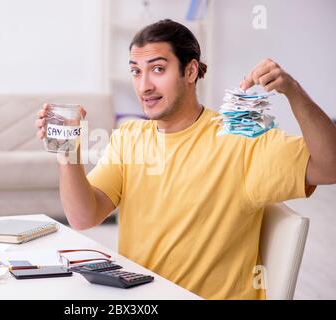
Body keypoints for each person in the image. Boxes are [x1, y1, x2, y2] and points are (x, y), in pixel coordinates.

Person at [35, 19, 336, 299]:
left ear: (190, 71)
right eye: (136, 71)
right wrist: (67, 153)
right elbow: (84, 217)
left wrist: (293, 92)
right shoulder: (129, 136)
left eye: (157, 69)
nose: (143, 86)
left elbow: (329, 167)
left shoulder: (240, 137)